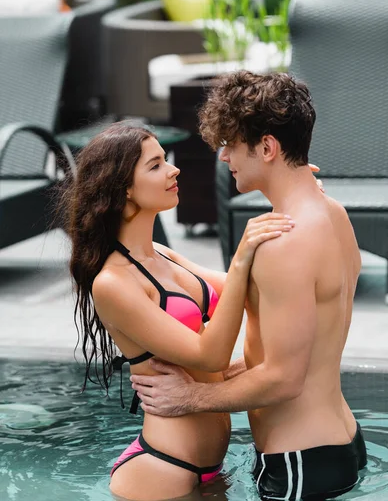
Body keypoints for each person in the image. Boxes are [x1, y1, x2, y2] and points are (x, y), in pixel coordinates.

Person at [130, 71, 368, 501]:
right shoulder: (332, 213)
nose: (223, 157)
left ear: (268, 147)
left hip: (298, 462)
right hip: (339, 442)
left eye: (232, 144)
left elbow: (283, 378)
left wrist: (192, 397)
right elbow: (299, 354)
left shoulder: (285, 244)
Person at [59, 120, 296, 501]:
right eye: (155, 166)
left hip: (212, 470)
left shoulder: (165, 256)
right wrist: (242, 256)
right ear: (124, 191)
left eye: (164, 160)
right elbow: (211, 353)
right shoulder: (114, 283)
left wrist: (293, 195)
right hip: (161, 470)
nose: (174, 169)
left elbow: (257, 290)